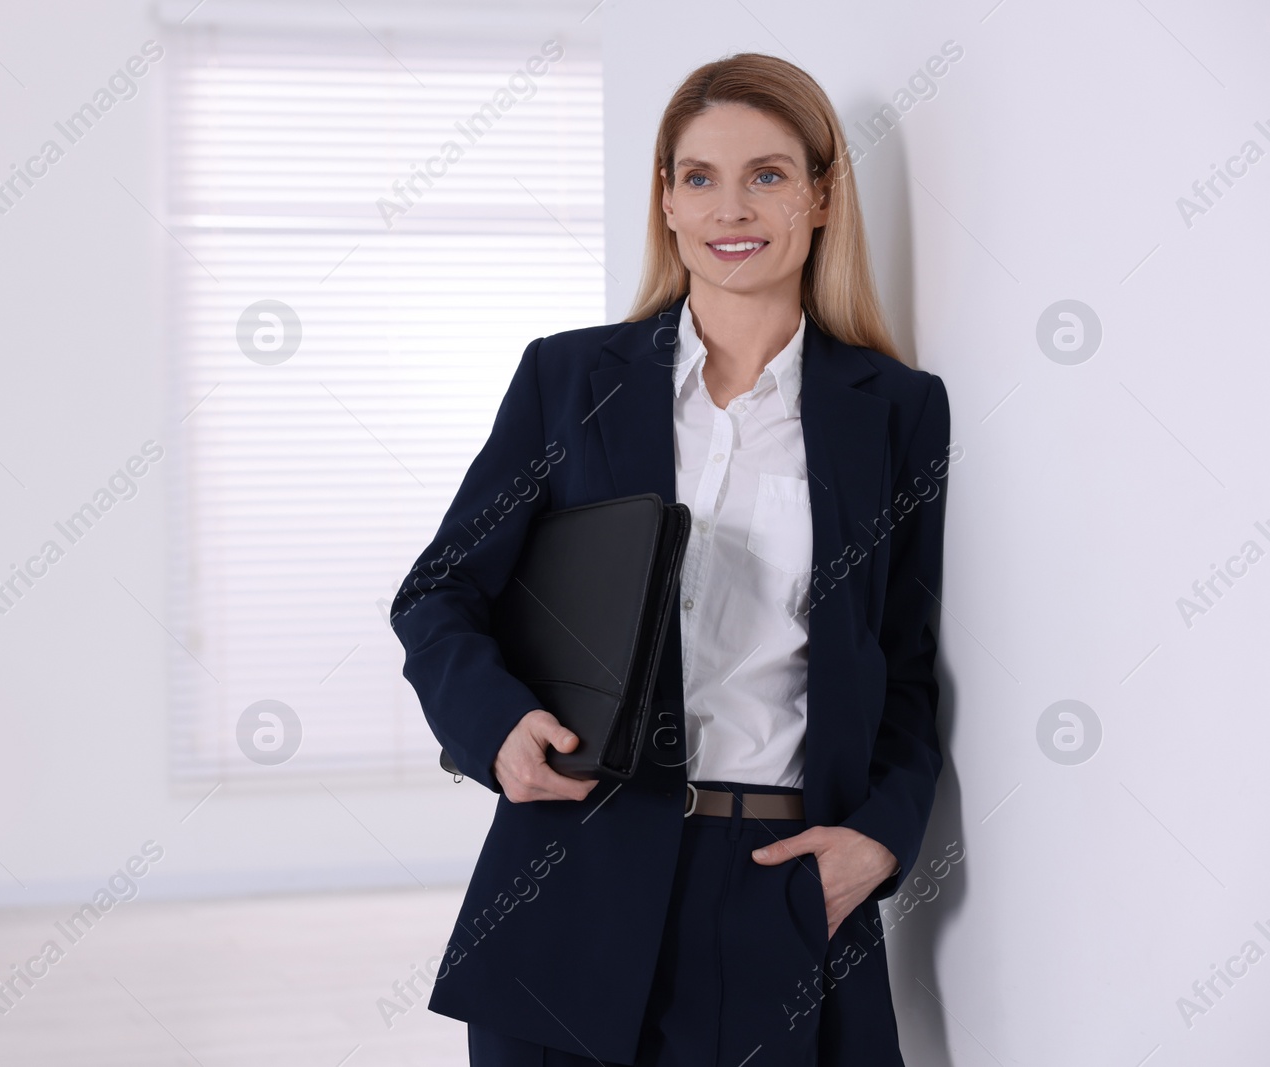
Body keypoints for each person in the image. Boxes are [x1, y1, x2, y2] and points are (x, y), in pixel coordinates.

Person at [389, 51, 952, 1067]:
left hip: (780, 882)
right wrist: (496, 726)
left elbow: (904, 660)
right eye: (699, 177)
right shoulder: (568, 378)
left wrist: (883, 836)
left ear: (822, 196)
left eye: (767, 175)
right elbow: (440, 591)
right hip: (572, 871)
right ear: (666, 200)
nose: (731, 207)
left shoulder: (898, 413)